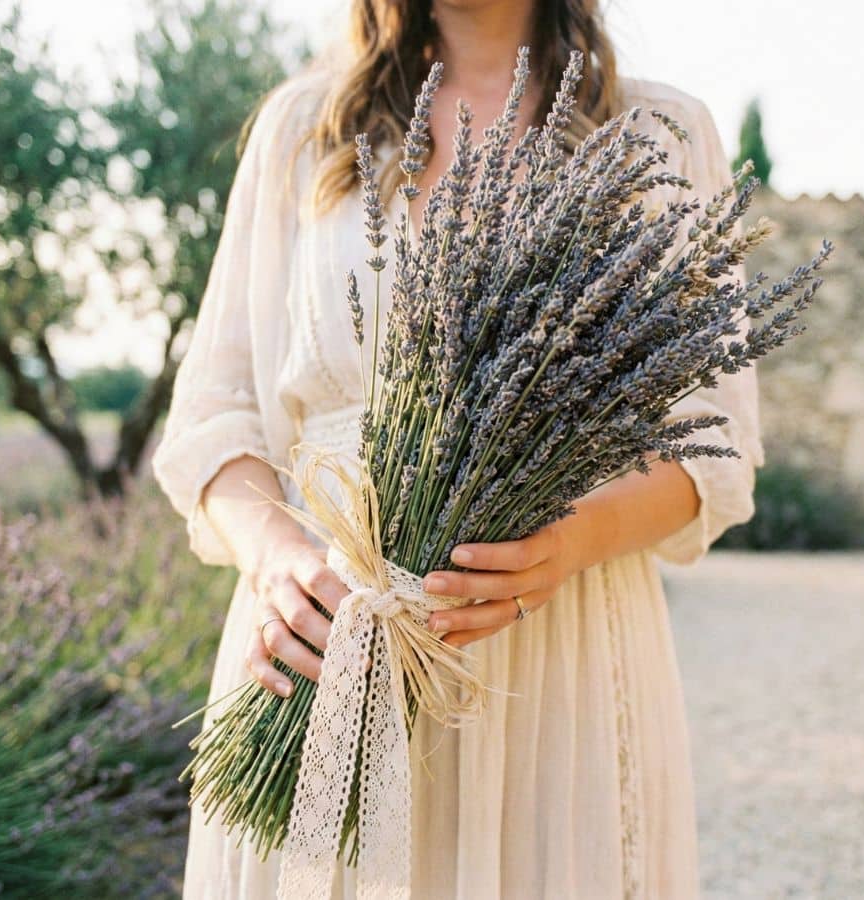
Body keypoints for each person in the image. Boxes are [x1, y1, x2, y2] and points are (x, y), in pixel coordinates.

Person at [150, 1, 764, 896]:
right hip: (325, 639)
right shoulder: (302, 128)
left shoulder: (664, 134)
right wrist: (277, 561)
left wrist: (567, 541)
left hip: (560, 651)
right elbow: (214, 417)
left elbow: (715, 445)